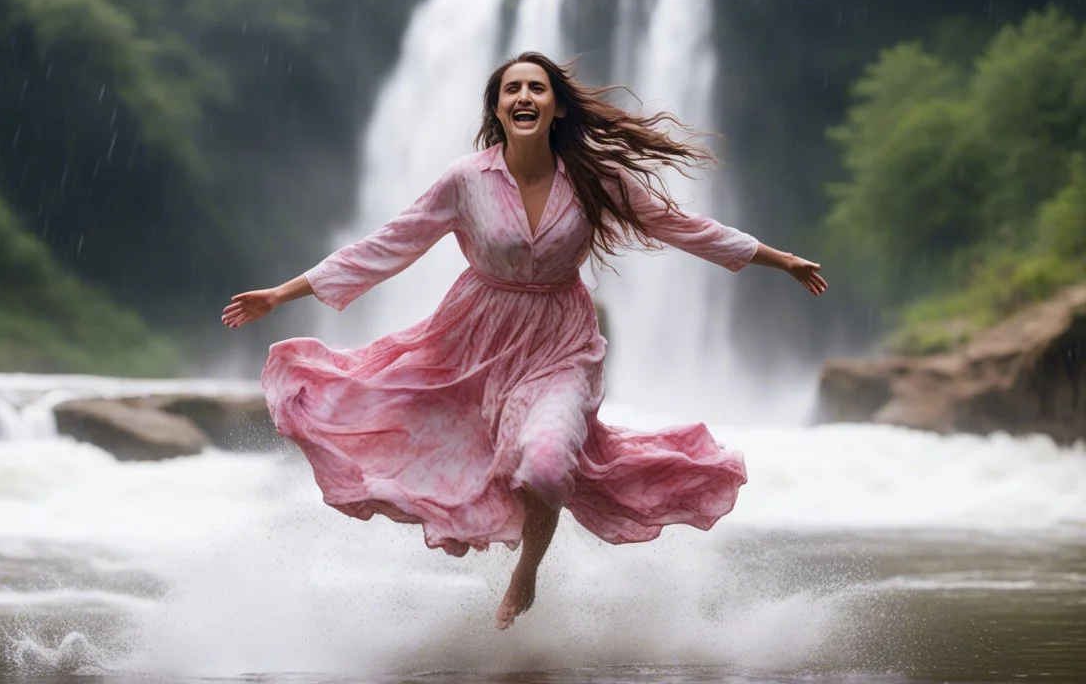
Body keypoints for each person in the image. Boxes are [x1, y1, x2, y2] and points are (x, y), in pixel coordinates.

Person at [222, 52, 828, 631]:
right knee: (454, 455)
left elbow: (682, 227)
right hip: (473, 345)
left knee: (544, 462)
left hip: (561, 345)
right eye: (512, 89)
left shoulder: (597, 177)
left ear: (557, 107)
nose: (524, 96)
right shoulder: (466, 180)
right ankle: (483, 533)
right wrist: (282, 294)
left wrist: (780, 260)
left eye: (536, 87)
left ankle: (526, 573)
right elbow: (387, 244)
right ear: (498, 109)